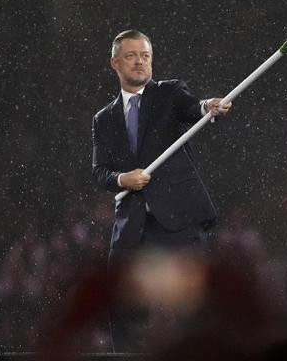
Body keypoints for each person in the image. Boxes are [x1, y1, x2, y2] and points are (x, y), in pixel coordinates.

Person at [91, 29, 230, 260]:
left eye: (145, 56)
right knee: (117, 296)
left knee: (187, 296)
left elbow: (193, 107)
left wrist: (207, 106)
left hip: (178, 223)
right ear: (115, 63)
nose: (139, 62)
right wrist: (122, 179)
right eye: (131, 56)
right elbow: (99, 171)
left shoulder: (170, 92)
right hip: (130, 232)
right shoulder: (103, 118)